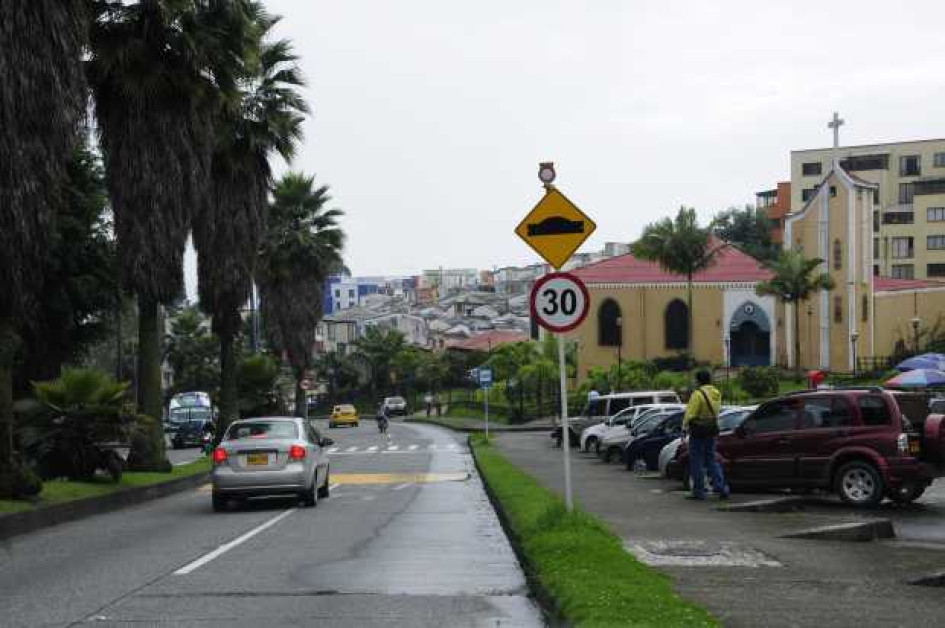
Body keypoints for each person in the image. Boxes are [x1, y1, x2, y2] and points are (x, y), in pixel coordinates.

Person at [683, 369, 729, 500]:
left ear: (699, 380)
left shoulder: (697, 394)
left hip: (698, 430)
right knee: (712, 459)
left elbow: (690, 413)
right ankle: (721, 487)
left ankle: (699, 491)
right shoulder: (716, 393)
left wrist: (684, 427)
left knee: (696, 460)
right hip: (712, 428)